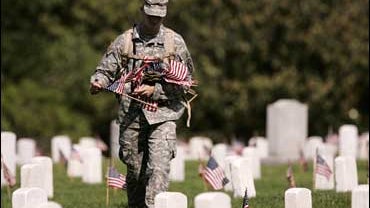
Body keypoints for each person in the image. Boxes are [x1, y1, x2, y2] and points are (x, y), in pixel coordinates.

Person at [89, 0, 194, 207]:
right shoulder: (125, 41)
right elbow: (104, 71)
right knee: (135, 172)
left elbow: (186, 83)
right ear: (142, 11)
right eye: (150, 15)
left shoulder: (175, 42)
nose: (154, 20)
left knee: (158, 169)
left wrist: (154, 90)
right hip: (132, 116)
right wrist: (98, 82)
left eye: (159, 16)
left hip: (164, 116)